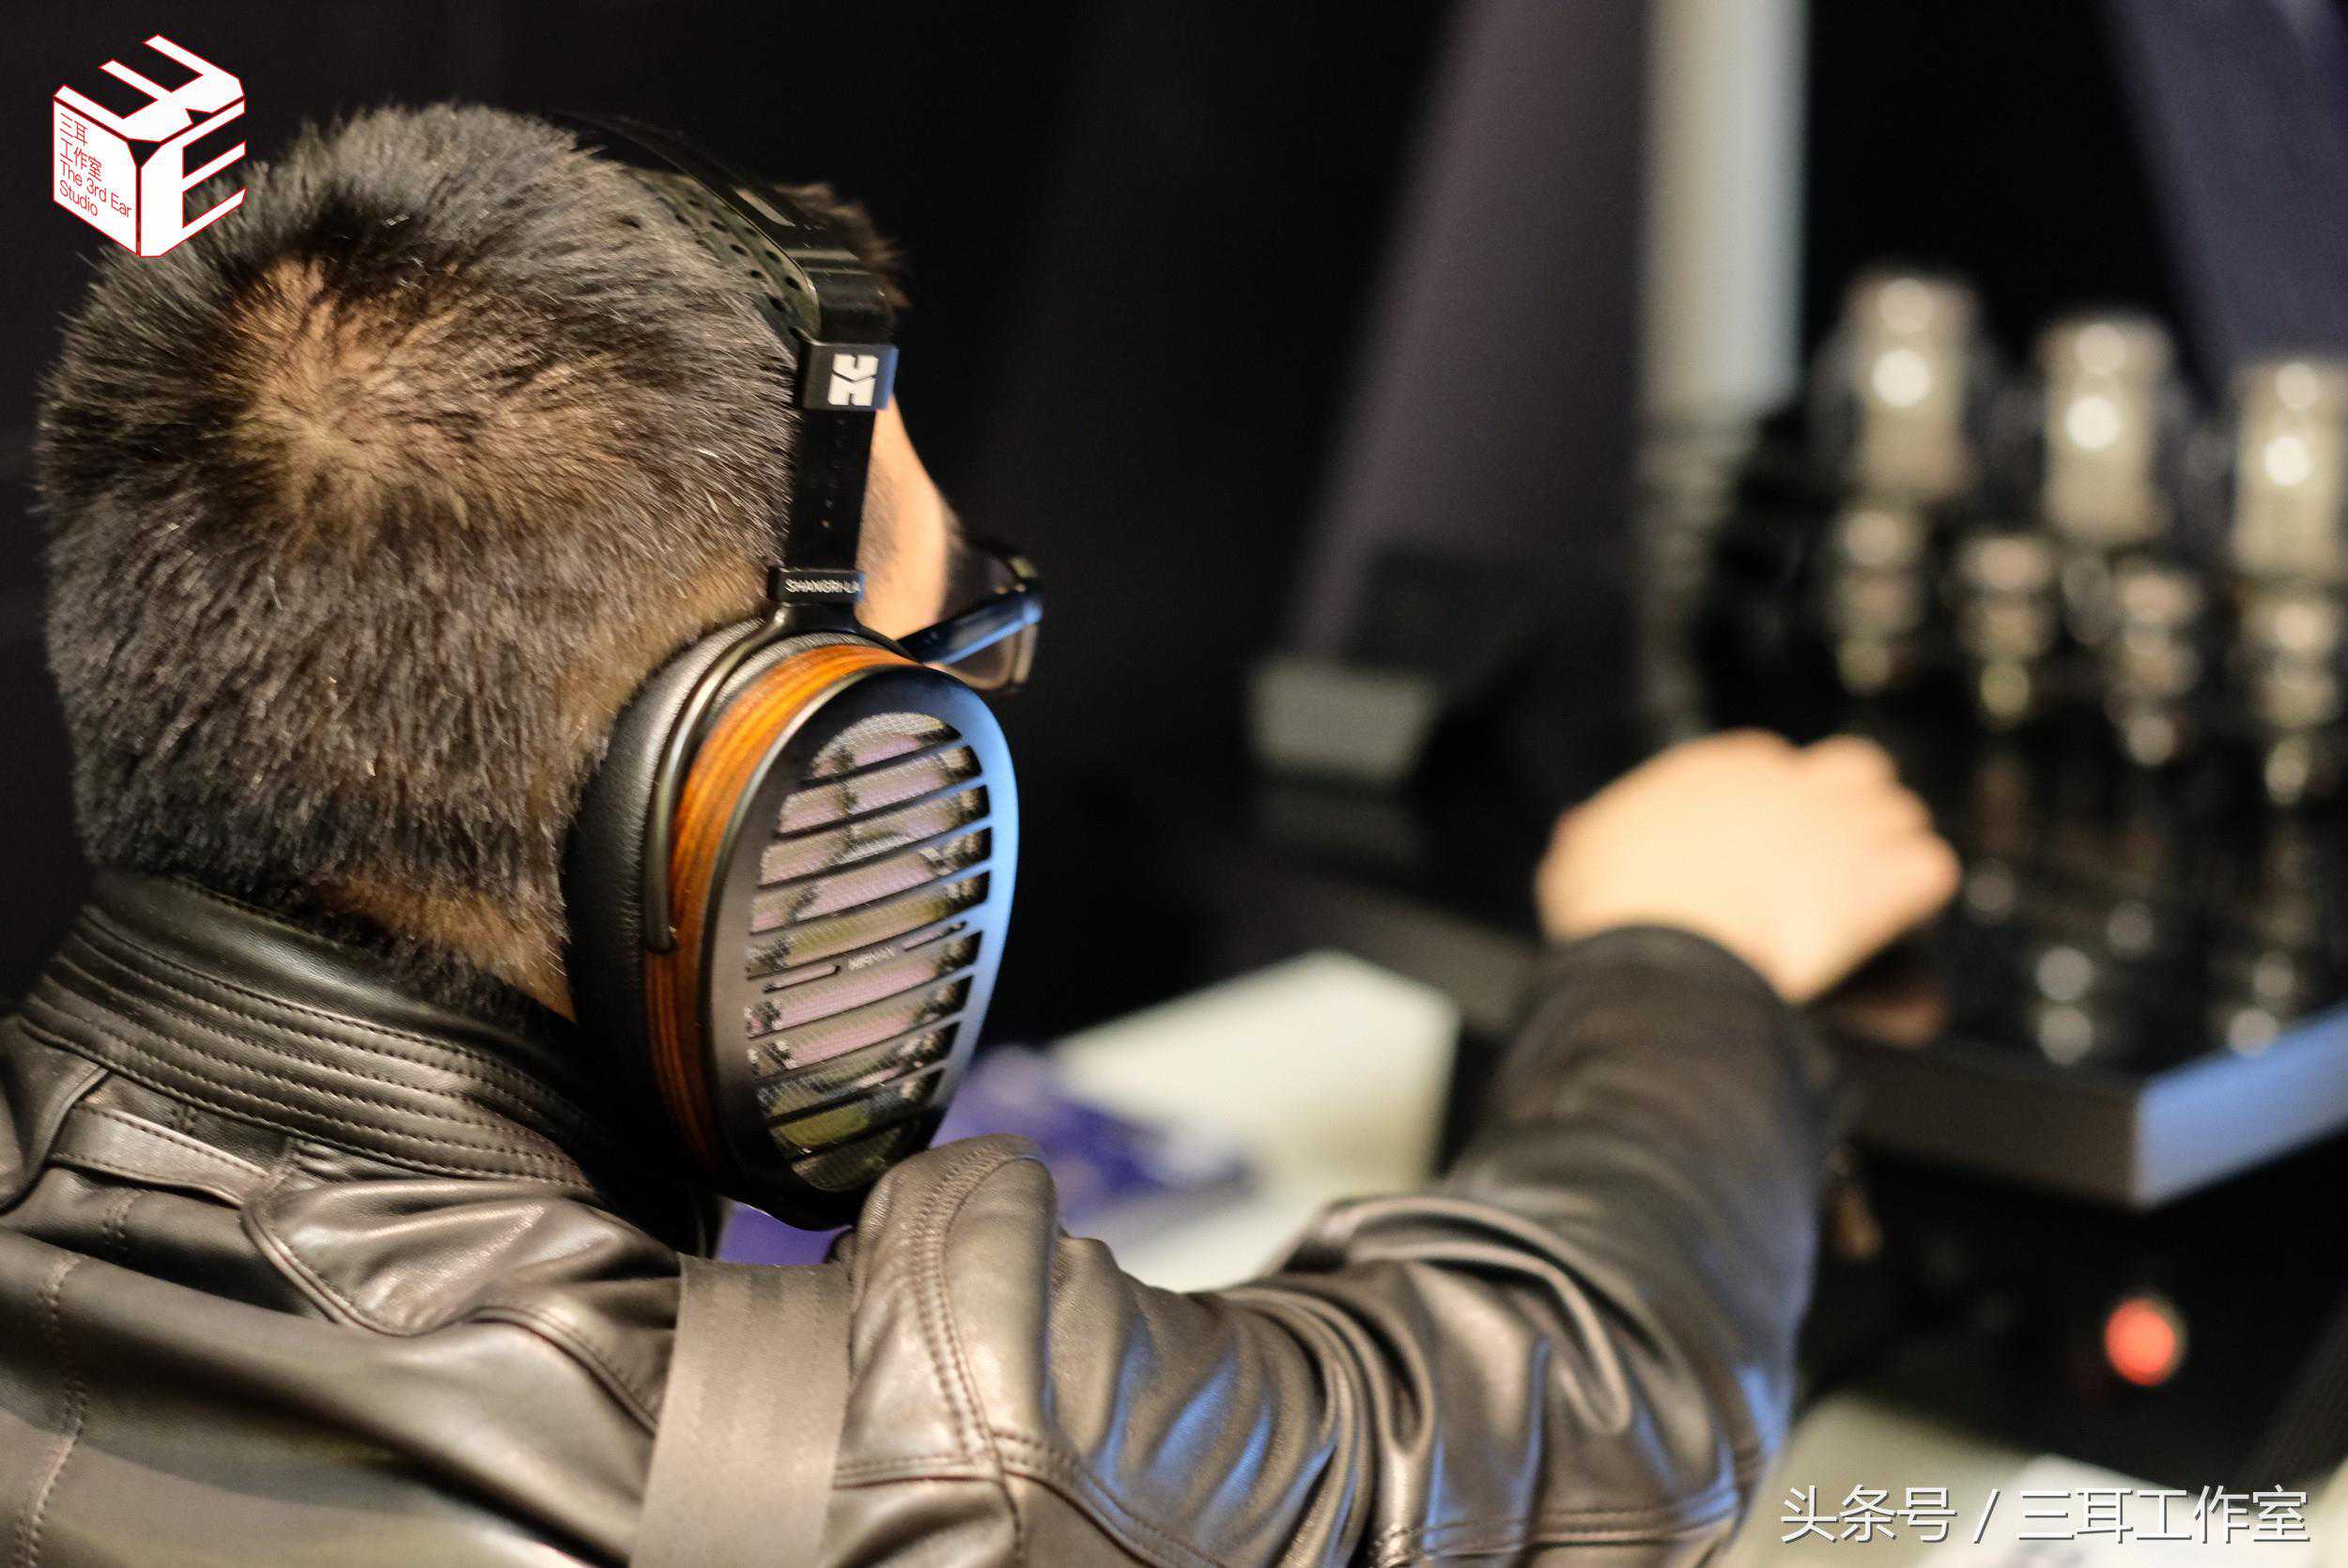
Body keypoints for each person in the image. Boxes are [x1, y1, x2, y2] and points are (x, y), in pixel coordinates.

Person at [0, 106, 1957, 1564]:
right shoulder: (888, 1473)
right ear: (765, 776)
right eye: (948, 653)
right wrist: (1675, 954)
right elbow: (1582, 1412)